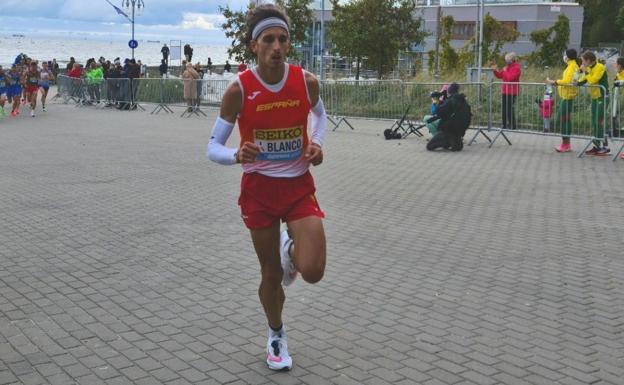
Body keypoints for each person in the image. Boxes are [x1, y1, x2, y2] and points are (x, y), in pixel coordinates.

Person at [206, 3, 327, 371]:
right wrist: (236, 156)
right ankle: (276, 334)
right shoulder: (238, 90)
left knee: (313, 270)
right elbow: (212, 147)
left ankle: (292, 249)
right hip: (259, 191)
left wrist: (317, 144)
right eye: (268, 39)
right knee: (270, 274)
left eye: (283, 39)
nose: (277, 46)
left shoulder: (305, 81)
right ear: (253, 46)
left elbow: (320, 117)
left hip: (297, 187)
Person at [577, 50, 610, 155]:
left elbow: (592, 80)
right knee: (594, 121)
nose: (582, 64)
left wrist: (585, 71)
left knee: (598, 121)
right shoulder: (589, 68)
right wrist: (576, 82)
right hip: (595, 98)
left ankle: (604, 147)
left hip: (602, 96)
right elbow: (583, 80)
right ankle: (597, 146)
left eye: (583, 61)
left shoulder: (600, 67)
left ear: (588, 60)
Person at [547, 48, 580, 153]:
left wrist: (553, 81)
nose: (564, 57)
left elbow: (567, 81)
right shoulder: (573, 66)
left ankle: (565, 144)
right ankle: (566, 144)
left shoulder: (572, 66)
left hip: (567, 97)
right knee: (565, 120)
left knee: (562, 120)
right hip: (566, 96)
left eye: (565, 54)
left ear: (568, 56)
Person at [426, 82, 471, 152]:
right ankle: (455, 142)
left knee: (429, 146)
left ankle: (449, 141)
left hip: (449, 129)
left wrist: (437, 102)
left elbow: (440, 111)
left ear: (450, 90)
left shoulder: (451, 100)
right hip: (461, 129)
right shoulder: (462, 100)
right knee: (450, 138)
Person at [491, 52, 521, 130]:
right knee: (504, 108)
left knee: (510, 109)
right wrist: (495, 71)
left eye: (507, 60)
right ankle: (504, 124)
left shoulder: (517, 68)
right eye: (506, 60)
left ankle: (512, 125)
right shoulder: (506, 67)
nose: (506, 61)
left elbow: (511, 78)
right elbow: (500, 76)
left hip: (512, 91)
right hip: (505, 91)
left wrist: (505, 71)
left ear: (512, 60)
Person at [612, 57, 624, 139]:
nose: (614, 65)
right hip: (618, 98)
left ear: (620, 65)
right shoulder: (618, 74)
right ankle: (616, 131)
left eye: (615, 64)